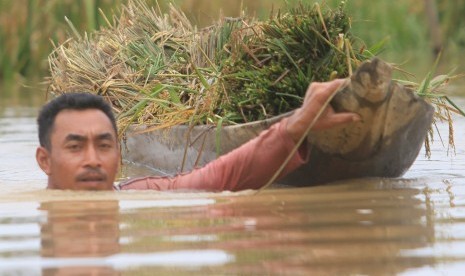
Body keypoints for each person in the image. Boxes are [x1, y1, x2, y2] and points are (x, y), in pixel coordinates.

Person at [36, 79, 360, 191]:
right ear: (45, 160)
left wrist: (293, 127)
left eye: (104, 145)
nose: (93, 160)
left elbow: (218, 177)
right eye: (75, 146)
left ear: (119, 158)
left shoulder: (140, 194)